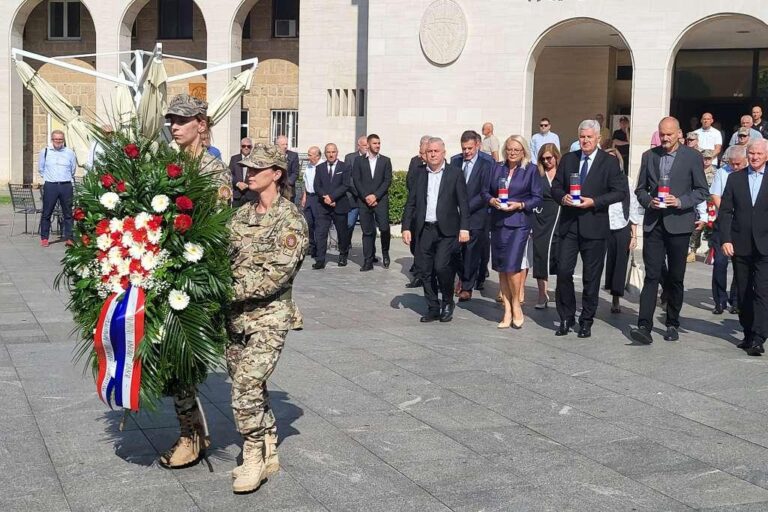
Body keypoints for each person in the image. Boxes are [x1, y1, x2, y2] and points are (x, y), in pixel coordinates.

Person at [228, 144, 309, 492]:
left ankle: (252, 457)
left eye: (257, 169)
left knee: (245, 386)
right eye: (247, 168)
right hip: (235, 320)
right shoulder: (239, 216)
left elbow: (276, 275)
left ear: (276, 174)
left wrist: (225, 290)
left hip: (271, 318)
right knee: (251, 385)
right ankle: (269, 440)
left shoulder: (290, 220)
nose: (249, 174)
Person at [159, 93, 232, 470]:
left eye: (182, 120)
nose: (174, 126)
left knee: (183, 357)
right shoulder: (166, 163)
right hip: (163, 270)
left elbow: (217, 229)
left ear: (201, 125)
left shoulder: (213, 171)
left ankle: (191, 436)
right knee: (170, 357)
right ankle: (191, 430)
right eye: (171, 119)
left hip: (195, 276)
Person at [630, 117, 709, 345]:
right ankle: (644, 325)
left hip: (679, 224)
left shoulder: (692, 157)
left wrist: (681, 201)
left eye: (669, 134)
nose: (665, 138)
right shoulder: (649, 156)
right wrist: (649, 201)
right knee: (652, 275)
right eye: (662, 134)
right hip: (655, 224)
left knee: (675, 277)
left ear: (679, 134)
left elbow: (701, 190)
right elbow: (640, 190)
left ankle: (672, 322)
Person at [550, 119, 627, 338]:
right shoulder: (568, 159)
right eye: (582, 137)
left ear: (598, 139)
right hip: (569, 225)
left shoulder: (609, 162)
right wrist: (562, 197)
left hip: (595, 225)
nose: (585, 141)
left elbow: (619, 192)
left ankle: (586, 320)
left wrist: (594, 201)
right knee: (564, 271)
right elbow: (555, 186)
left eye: (589, 137)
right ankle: (566, 317)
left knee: (591, 277)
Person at [401, 137, 470, 323]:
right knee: (425, 270)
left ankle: (447, 302)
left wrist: (465, 228)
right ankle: (433, 306)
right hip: (425, 229)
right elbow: (411, 203)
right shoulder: (419, 173)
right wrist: (406, 227)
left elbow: (463, 203)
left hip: (447, 230)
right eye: (429, 151)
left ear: (443, 153)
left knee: (441, 267)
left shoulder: (454, 174)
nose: (432, 154)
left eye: (436, 151)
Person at [482, 135, 543, 328]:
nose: (512, 153)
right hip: (498, 222)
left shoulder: (531, 170)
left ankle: (516, 303)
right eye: (509, 149)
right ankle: (507, 309)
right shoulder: (496, 167)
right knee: (501, 267)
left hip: (519, 223)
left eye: (516, 149)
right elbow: (485, 191)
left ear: (523, 151)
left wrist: (521, 204)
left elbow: (537, 197)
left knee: (513, 266)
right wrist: (492, 201)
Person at [718, 139, 768, 356]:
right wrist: (726, 239)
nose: (755, 157)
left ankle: (759, 336)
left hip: (765, 245)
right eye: (752, 153)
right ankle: (748, 332)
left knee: (763, 292)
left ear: (766, 155)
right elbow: (726, 212)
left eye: (759, 153)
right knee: (744, 291)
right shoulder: (735, 178)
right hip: (740, 244)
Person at [450, 130, 493, 301]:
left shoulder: (487, 163)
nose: (466, 152)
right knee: (455, 250)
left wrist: (465, 208)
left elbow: (485, 192)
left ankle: (467, 285)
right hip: (456, 215)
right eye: (464, 148)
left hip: (476, 215)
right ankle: (462, 277)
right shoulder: (455, 161)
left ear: (478, 145)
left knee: (471, 251)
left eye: (470, 148)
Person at [603, 148, 642, 313]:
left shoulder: (627, 180)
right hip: (602, 223)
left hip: (622, 223)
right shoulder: (599, 179)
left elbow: (633, 204)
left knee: (620, 260)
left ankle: (616, 297)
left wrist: (634, 233)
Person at [709, 145, 747, 314]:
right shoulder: (722, 172)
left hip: (742, 225)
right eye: (732, 163)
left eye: (738, 164)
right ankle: (720, 300)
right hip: (723, 222)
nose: (735, 167)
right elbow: (715, 195)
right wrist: (727, 210)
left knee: (741, 264)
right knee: (719, 262)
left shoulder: (749, 174)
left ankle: (737, 300)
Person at [352, 133, 392, 271]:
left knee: (384, 228)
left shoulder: (385, 161)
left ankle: (385, 252)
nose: (378, 146)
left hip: (380, 200)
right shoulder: (358, 161)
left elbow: (387, 180)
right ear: (368, 145)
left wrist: (375, 196)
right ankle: (368, 260)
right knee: (367, 232)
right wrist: (366, 197)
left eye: (379, 143)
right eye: (375, 143)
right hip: (364, 202)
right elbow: (356, 180)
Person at [531, 143, 561, 309]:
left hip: (560, 216)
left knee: (561, 254)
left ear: (556, 156)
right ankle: (542, 294)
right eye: (543, 159)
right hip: (541, 217)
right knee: (541, 254)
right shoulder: (537, 174)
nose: (547, 161)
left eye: (549, 158)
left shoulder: (563, 173)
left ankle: (560, 290)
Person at [313, 143, 351, 268]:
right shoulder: (320, 168)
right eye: (328, 152)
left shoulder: (344, 167)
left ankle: (343, 255)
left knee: (342, 233)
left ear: (337, 152)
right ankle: (320, 259)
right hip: (323, 206)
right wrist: (326, 198)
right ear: (325, 153)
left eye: (333, 152)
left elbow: (345, 185)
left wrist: (333, 197)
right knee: (321, 232)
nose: (331, 154)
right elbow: (317, 186)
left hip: (339, 205)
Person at [38, 129, 76, 247]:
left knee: (68, 213)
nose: (58, 141)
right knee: (47, 212)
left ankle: (69, 237)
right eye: (56, 139)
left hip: (66, 185)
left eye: (60, 139)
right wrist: (49, 178)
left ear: (63, 140)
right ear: (52, 140)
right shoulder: (45, 152)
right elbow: (41, 168)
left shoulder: (70, 152)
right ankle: (44, 238)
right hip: (51, 185)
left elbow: (73, 169)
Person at [405, 135, 431, 288]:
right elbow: (410, 182)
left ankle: (422, 275)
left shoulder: (442, 166)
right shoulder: (415, 162)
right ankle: (419, 270)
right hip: (418, 209)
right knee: (416, 243)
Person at [687, 150, 717, 263]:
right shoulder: (695, 170)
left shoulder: (715, 172)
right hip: (697, 201)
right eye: (704, 158)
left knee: (710, 228)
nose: (706, 161)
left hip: (711, 203)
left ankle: (711, 250)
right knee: (696, 227)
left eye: (709, 159)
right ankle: (692, 251)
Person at [344, 135, 369, 249]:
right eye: (364, 145)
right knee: (349, 224)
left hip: (367, 199)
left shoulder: (372, 158)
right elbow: (347, 178)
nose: (366, 147)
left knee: (368, 227)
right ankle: (345, 244)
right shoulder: (350, 158)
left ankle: (370, 251)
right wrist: (358, 192)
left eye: (368, 145)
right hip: (353, 197)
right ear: (358, 146)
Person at [301, 147, 322, 265]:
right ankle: (312, 246)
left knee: (318, 223)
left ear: (317, 156)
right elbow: (305, 182)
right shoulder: (308, 166)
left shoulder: (322, 166)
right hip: (309, 196)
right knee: (309, 223)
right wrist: (304, 196)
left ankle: (319, 248)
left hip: (318, 197)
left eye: (310, 155)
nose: (308, 157)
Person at [230, 137, 257, 207]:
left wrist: (248, 185)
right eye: (243, 146)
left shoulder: (255, 160)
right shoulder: (234, 159)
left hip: (251, 195)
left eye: (249, 146)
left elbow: (258, 175)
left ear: (251, 147)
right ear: (240, 147)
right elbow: (230, 174)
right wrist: (238, 183)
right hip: (237, 195)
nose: (246, 148)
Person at [275, 135, 299, 201]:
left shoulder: (293, 155)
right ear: (277, 145)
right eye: (283, 144)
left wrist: (286, 183)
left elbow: (295, 173)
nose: (285, 146)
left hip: (288, 190)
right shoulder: (272, 156)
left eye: (286, 144)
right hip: (274, 189)